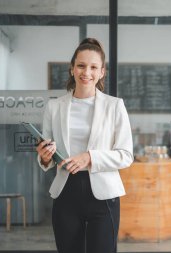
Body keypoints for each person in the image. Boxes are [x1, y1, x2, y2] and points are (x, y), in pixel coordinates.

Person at [36, 38, 134, 253]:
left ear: (102, 72)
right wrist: (44, 156)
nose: (86, 72)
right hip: (65, 193)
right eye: (81, 65)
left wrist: (89, 157)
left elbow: (126, 155)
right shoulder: (54, 107)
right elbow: (47, 158)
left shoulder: (114, 106)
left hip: (104, 195)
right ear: (72, 69)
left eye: (93, 67)